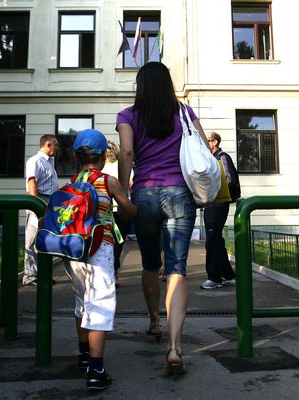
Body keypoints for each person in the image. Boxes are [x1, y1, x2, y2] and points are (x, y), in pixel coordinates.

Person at [116, 61, 210, 376]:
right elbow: (201, 145)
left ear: (140, 86)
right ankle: (174, 347)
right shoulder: (183, 111)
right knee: (177, 268)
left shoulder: (127, 115)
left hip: (143, 193)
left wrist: (124, 195)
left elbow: (127, 153)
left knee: (149, 263)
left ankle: (155, 321)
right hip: (180, 194)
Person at [64, 129, 136, 390]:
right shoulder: (108, 182)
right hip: (99, 248)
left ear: (75, 156)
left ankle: (83, 355)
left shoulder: (71, 182)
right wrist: (129, 206)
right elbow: (128, 209)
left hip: (74, 251)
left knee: (81, 301)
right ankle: (96, 370)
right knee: (100, 304)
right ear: (104, 157)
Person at [201, 132, 239, 289]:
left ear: (214, 142)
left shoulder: (221, 157)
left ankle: (214, 278)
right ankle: (228, 275)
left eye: (207, 141)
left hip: (218, 205)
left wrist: (211, 190)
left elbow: (230, 181)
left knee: (212, 240)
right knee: (216, 239)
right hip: (211, 204)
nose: (204, 143)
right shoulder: (211, 158)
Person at [23, 134, 59, 286]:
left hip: (49, 201)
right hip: (39, 200)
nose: (57, 148)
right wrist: (35, 204)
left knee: (45, 239)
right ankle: (30, 276)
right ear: (48, 144)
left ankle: (43, 274)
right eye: (56, 144)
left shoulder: (49, 163)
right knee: (32, 239)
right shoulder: (35, 161)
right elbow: (32, 182)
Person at [100, 140, 131, 286]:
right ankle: (115, 274)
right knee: (118, 244)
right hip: (120, 210)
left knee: (104, 243)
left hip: (103, 210)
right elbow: (131, 184)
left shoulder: (99, 168)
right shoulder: (122, 166)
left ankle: (108, 275)